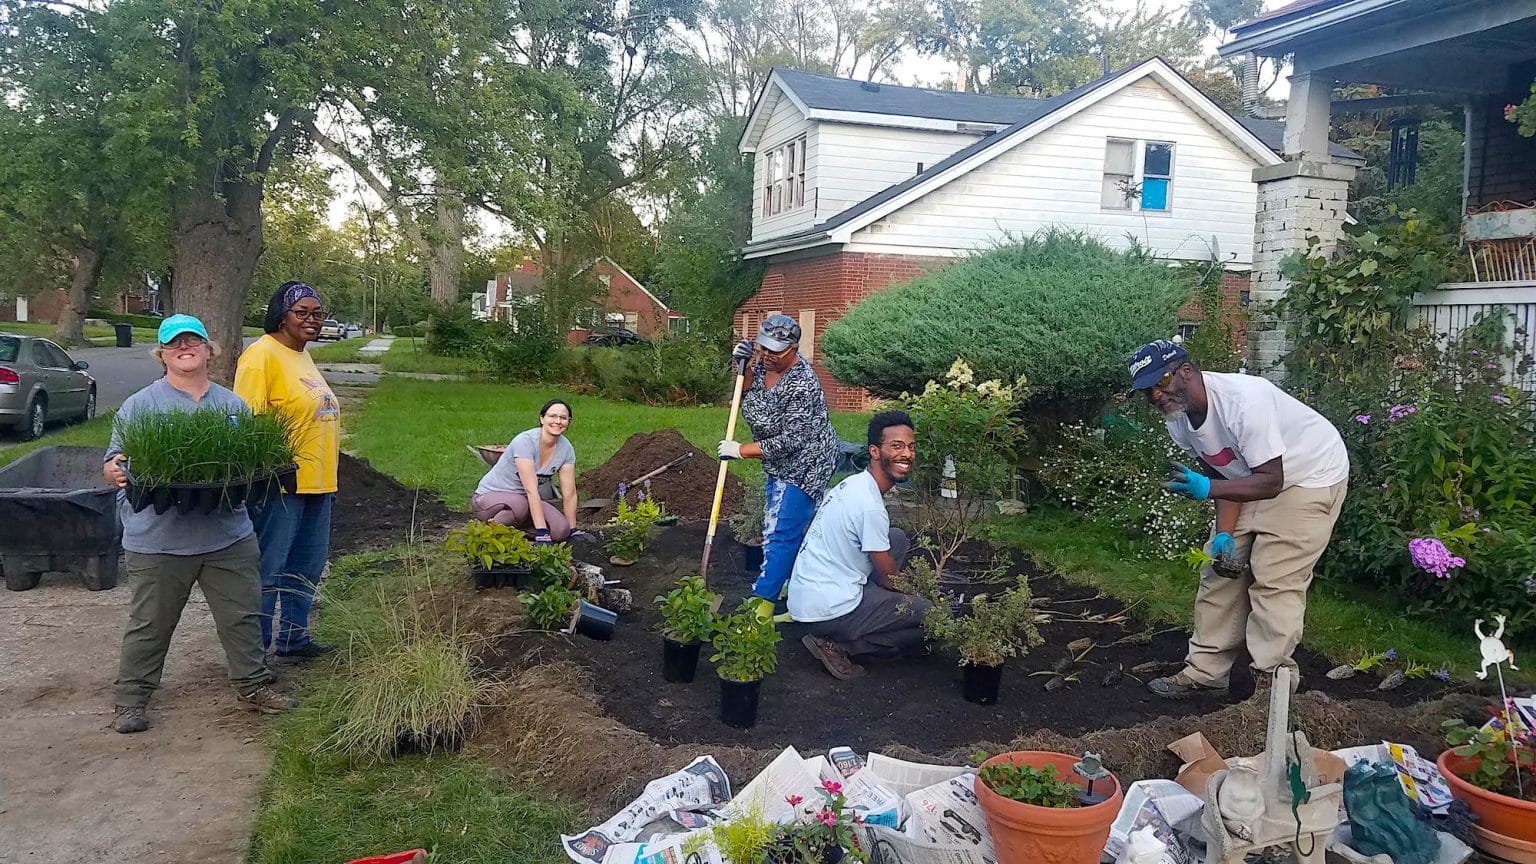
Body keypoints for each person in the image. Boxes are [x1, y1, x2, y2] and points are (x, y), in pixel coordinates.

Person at [105, 315, 297, 733]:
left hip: (227, 536)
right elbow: (114, 461)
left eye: (193, 341)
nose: (184, 347)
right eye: (174, 343)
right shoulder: (140, 405)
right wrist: (115, 470)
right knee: (150, 624)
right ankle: (131, 700)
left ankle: (253, 685)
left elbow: (249, 463)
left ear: (210, 350)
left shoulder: (232, 405)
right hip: (158, 541)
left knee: (243, 616)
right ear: (162, 354)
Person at [1128, 339, 1349, 698]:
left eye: (1162, 381)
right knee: (1218, 570)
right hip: (1251, 478)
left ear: (1186, 371)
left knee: (1275, 577)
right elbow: (1221, 476)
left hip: (1307, 476)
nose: (1156, 394)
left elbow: (1271, 480)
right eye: (1147, 390)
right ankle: (1206, 673)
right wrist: (1224, 536)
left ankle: (1271, 686)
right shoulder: (1179, 421)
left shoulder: (1243, 402)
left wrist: (1208, 489)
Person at [235, 281, 341, 661]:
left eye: (317, 313)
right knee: (270, 568)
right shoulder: (261, 355)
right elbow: (247, 422)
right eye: (302, 312)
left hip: (319, 482)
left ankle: (293, 639)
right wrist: (271, 468)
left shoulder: (301, 356)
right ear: (282, 314)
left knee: (306, 566)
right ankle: (255, 654)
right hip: (281, 485)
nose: (312, 320)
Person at [788, 410, 929, 681]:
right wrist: (920, 593)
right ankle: (839, 646)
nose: (907, 454)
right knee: (929, 616)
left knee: (896, 538)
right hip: (829, 609)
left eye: (911, 447)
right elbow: (890, 579)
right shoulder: (869, 507)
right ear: (875, 451)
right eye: (896, 446)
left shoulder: (854, 484)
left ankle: (870, 610)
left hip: (811, 593)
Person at [718, 315, 839, 608]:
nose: (767, 356)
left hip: (807, 464)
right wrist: (742, 365)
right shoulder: (763, 364)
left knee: (781, 532)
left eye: (775, 351)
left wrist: (741, 450)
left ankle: (762, 605)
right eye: (763, 348)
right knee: (775, 521)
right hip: (778, 462)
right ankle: (789, 585)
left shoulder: (802, 384)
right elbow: (748, 389)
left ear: (793, 349)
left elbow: (791, 441)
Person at [471, 399, 582, 543]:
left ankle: (516, 532)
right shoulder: (525, 441)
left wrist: (572, 529)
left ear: (568, 422)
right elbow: (531, 490)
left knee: (561, 530)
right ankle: (487, 534)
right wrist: (541, 531)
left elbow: (569, 494)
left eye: (563, 418)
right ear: (542, 419)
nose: (558, 421)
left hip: (524, 501)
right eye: (553, 416)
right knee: (520, 506)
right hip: (488, 499)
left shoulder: (566, 449)